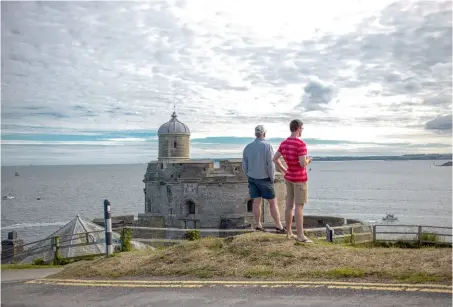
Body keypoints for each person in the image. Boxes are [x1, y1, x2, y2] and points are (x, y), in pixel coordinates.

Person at [273, 119, 313, 243]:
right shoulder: (300, 144)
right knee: (299, 207)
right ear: (298, 128)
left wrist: (285, 170)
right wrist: (308, 160)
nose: (302, 131)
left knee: (289, 205)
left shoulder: (284, 143)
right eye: (302, 128)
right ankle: (300, 235)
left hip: (289, 177)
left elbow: (275, 159)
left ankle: (289, 232)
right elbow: (302, 163)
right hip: (300, 179)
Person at [242, 125, 287, 234]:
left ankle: (258, 225)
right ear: (264, 134)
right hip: (265, 179)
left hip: (252, 178)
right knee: (273, 202)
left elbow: (244, 164)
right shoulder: (267, 146)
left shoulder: (248, 147)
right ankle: (279, 226)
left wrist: (248, 175)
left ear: (255, 134)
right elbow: (270, 165)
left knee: (256, 202)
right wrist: (272, 178)